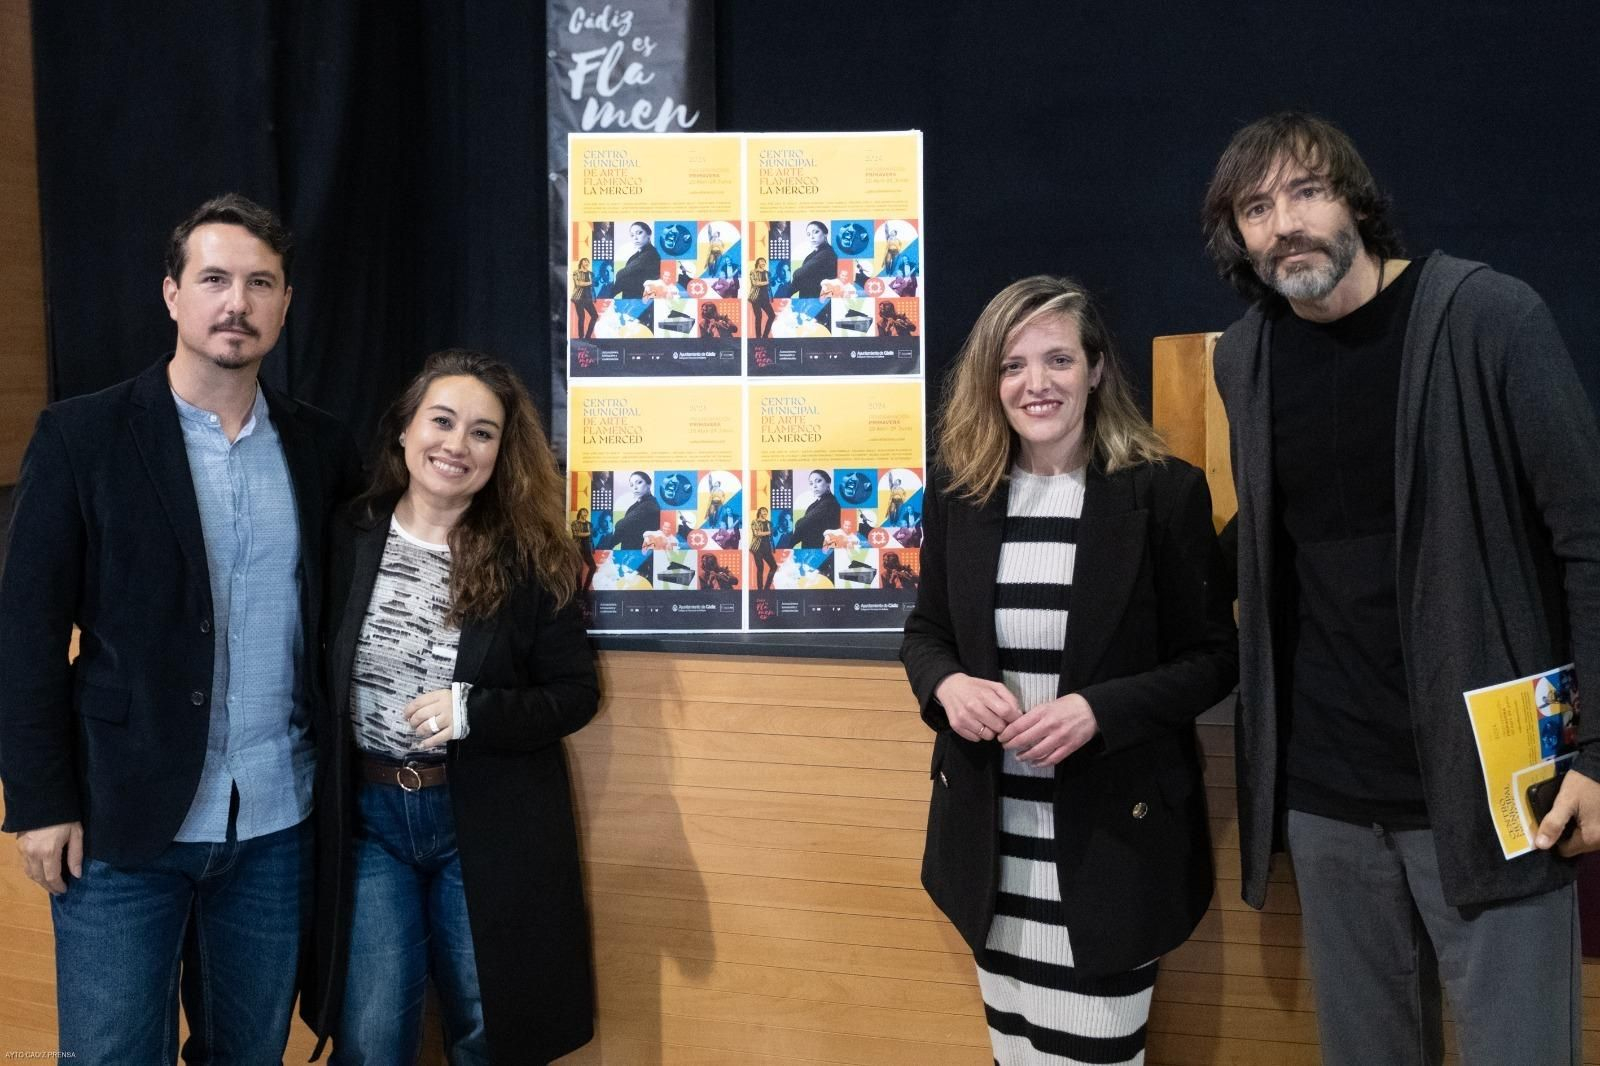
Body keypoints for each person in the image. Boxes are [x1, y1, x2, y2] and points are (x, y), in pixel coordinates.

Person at [1203, 111, 1600, 1066]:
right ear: (1239, 238)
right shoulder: (1244, 357)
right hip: (1329, 792)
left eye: (1306, 191)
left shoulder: (1490, 317)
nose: (1285, 223)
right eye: (1257, 207)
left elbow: (1589, 540)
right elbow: (1274, 538)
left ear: (1356, 202)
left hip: (1498, 785)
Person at [0, 194, 359, 1062]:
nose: (236, 302)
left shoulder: (322, 448)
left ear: (283, 303)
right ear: (172, 295)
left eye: (260, 283)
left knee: (248, 1055)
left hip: (277, 822)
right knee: (114, 1054)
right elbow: (25, 632)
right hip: (121, 822)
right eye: (215, 279)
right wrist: (40, 803)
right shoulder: (81, 437)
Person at [900, 275, 1236, 1066]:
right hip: (990, 845)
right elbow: (926, 633)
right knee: (1015, 1053)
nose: (1034, 383)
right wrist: (945, 684)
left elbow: (1214, 661)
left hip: (1110, 852)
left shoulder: (1164, 493)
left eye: (1056, 359)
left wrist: (1100, 712)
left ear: (1095, 370)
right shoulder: (960, 494)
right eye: (1012, 365)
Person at [301, 349, 600, 1064]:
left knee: (488, 1034)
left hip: (485, 823)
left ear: (503, 452)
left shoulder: (530, 555)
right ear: (404, 430)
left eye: (482, 432)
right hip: (370, 822)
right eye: (441, 421)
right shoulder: (344, 533)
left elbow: (576, 693)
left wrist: (475, 713)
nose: (455, 446)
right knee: (371, 1039)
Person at [606, 470, 661, 550]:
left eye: (639, 482)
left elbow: (621, 526)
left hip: (639, 553)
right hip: (630, 552)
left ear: (649, 484)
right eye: (632, 485)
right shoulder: (635, 506)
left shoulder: (650, 505)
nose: (635, 487)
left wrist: (608, 545)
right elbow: (621, 530)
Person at [788, 469, 841, 548]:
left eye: (818, 481)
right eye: (811, 483)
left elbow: (801, 525)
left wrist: (788, 545)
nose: (814, 486)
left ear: (828, 483)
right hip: (810, 551)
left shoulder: (830, 503)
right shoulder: (813, 505)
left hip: (821, 552)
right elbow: (801, 527)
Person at [612, 221, 661, 299]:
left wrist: (610, 294)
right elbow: (622, 276)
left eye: (639, 233)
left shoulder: (651, 254)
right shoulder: (634, 256)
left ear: (649, 234)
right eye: (632, 235)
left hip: (642, 302)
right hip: (630, 300)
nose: (635, 238)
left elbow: (620, 274)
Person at [789, 221, 838, 299]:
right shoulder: (812, 255)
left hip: (818, 302)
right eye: (808, 234)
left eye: (816, 232)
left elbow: (798, 274)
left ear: (825, 234)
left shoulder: (827, 253)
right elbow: (799, 279)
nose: (812, 237)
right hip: (808, 300)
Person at [750, 506, 777, 589]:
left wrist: (774, 532)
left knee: (774, 566)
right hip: (757, 549)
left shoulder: (769, 523)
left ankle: (766, 587)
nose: (765, 513)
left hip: (767, 548)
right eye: (763, 511)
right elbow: (757, 533)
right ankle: (760, 589)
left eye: (766, 512)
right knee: (760, 568)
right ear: (759, 512)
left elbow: (772, 535)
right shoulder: (755, 522)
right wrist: (769, 532)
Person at [570, 257, 597, 339]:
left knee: (595, 316)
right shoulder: (576, 272)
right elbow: (579, 283)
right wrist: (590, 282)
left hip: (588, 298)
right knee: (582, 317)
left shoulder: (591, 274)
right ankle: (581, 337)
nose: (587, 263)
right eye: (585, 261)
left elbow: (593, 286)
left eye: (588, 262)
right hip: (579, 298)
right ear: (581, 263)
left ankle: (588, 336)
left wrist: (594, 296)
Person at [571, 506, 597, 590]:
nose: (585, 513)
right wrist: (588, 533)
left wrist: (592, 547)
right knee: (579, 569)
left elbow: (591, 538)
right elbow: (577, 534)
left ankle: (585, 588)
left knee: (593, 567)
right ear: (580, 513)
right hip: (577, 548)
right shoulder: (575, 523)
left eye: (586, 512)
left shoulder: (589, 524)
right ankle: (578, 589)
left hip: (587, 548)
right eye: (583, 511)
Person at [748, 257, 775, 338]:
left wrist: (773, 281)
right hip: (756, 298)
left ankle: (765, 336)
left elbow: (770, 284)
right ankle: (758, 337)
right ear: (758, 263)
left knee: (772, 315)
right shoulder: (753, 272)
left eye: (764, 262)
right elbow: (755, 283)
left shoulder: (767, 273)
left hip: (765, 298)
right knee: (758, 317)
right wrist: (767, 282)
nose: (763, 263)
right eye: (761, 261)